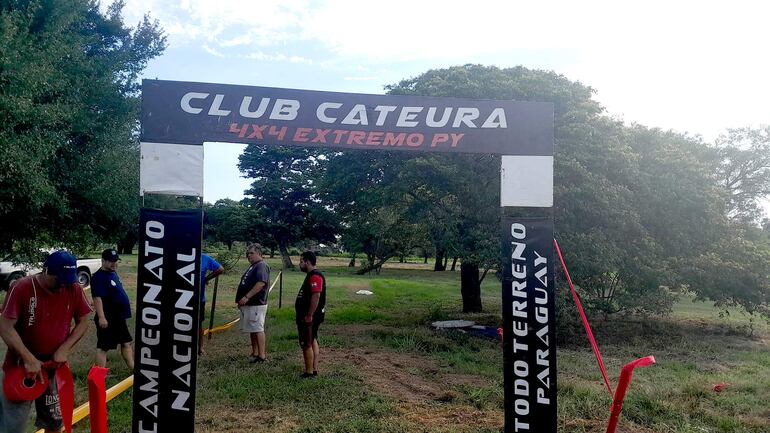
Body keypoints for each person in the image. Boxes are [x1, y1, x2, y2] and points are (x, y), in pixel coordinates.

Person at [0, 250, 92, 433]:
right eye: (59, 279)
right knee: (13, 426)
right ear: (46, 270)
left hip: (53, 366)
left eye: (67, 280)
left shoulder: (72, 287)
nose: (63, 285)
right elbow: (5, 326)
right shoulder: (22, 287)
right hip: (21, 367)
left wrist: (64, 349)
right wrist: (28, 358)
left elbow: (84, 320)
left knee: (54, 422)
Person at [91, 249, 133, 371]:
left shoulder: (113, 273)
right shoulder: (98, 277)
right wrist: (101, 317)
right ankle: (99, 376)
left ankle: (133, 370)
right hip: (108, 317)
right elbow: (97, 298)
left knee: (126, 342)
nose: (114, 264)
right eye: (111, 261)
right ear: (103, 260)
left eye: (116, 261)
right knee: (104, 347)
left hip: (119, 317)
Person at [235, 244, 270, 363]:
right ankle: (255, 352)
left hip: (256, 303)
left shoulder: (261, 265)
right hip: (249, 304)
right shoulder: (253, 266)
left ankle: (262, 356)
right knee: (252, 329)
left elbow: (261, 283)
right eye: (247, 253)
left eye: (251, 253)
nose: (248, 255)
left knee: (258, 328)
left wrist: (246, 297)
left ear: (259, 253)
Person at [295, 251, 326, 378]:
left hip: (310, 317)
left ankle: (309, 372)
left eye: (301, 261)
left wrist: (309, 315)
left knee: (306, 344)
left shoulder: (315, 276)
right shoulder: (311, 275)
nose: (300, 264)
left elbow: (316, 295)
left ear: (307, 262)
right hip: (310, 316)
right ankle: (313, 368)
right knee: (312, 340)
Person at [198, 253, 224, 355]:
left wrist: (206, 279)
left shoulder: (204, 257)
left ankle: (200, 348)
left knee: (198, 324)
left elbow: (220, 269)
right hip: (181, 298)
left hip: (199, 299)